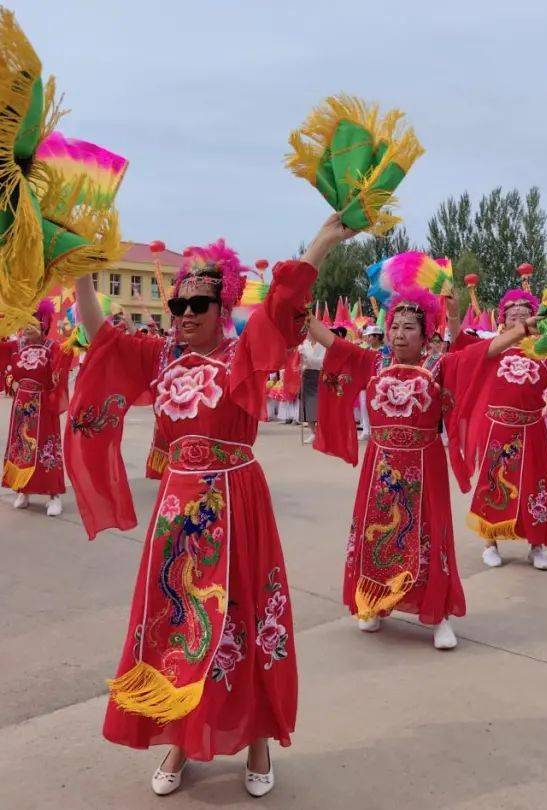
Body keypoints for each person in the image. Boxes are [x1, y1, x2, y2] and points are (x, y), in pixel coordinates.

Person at [64, 215, 354, 799]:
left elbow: (286, 298)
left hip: (237, 500)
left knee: (242, 617)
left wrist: (325, 236)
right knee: (177, 621)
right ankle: (179, 737)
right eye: (179, 306)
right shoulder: (162, 358)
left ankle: (258, 738)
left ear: (223, 311)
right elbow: (103, 339)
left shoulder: (245, 354)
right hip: (179, 506)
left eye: (200, 305)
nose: (187, 315)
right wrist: (84, 277)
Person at [309, 276, 501, 650]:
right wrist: (302, 314)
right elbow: (332, 342)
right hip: (379, 467)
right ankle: (374, 604)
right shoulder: (374, 362)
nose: (398, 334)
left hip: (424, 468)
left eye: (408, 328)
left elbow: (486, 353)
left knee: (429, 537)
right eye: (394, 326)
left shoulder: (440, 365)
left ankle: (438, 615)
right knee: (376, 533)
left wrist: (519, 331)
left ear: (426, 334)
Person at [448, 288, 547, 572]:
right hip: (496, 428)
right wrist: (454, 312)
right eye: (513, 314)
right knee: (493, 485)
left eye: (525, 313)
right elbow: (459, 342)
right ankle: (490, 544)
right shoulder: (492, 347)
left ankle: (536, 546)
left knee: (536, 486)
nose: (519, 317)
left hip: (532, 429)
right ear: (504, 320)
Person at [0, 299, 72, 516]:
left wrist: (71, 344)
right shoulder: (20, 348)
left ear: (43, 325)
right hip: (21, 407)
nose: (27, 329)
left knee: (46, 450)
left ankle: (54, 495)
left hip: (43, 406)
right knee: (22, 448)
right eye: (25, 324)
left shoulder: (53, 348)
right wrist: (10, 379)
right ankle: (23, 490)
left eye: (32, 324)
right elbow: (10, 371)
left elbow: (60, 370)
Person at [298, 331, 325, 444]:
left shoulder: (323, 345)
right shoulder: (304, 344)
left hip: (319, 376)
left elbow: (321, 362)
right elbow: (302, 362)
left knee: (319, 405)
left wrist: (308, 359)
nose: (309, 335)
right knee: (307, 405)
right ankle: (313, 432)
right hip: (307, 376)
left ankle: (321, 433)